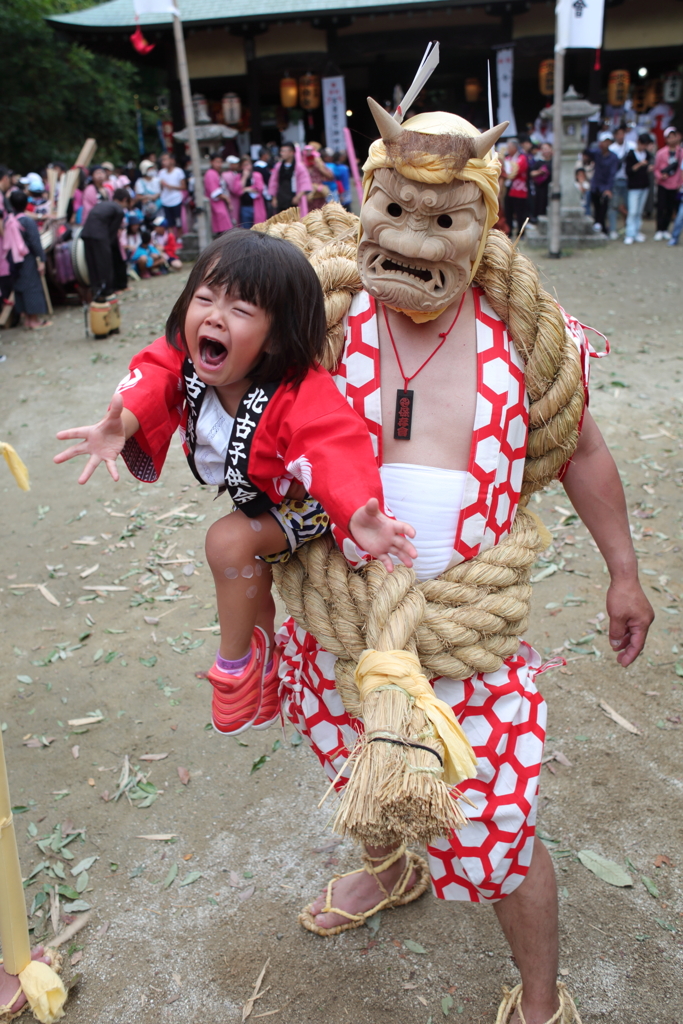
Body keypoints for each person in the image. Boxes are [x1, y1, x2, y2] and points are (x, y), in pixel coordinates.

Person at [271, 97, 653, 1024]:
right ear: (368, 199)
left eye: (441, 219)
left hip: (465, 638)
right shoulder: (322, 317)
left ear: (483, 218)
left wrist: (622, 569)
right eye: (393, 210)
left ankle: (535, 999)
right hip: (343, 625)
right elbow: (210, 381)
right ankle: (391, 864)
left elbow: (581, 449)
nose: (413, 239)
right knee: (356, 764)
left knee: (500, 835)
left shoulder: (521, 331)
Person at [53, 229, 417, 739]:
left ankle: (237, 666)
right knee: (235, 545)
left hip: (307, 500)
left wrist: (357, 511)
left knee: (227, 541)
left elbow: (333, 443)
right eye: (204, 298)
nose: (215, 316)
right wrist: (123, 422)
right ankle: (263, 652)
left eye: (241, 310)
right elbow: (154, 375)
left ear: (276, 335)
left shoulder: (298, 391)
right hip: (257, 492)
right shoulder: (188, 357)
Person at [4, 191, 51, 329]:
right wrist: (42, 259)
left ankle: (26, 320)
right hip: (27, 259)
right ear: (26, 204)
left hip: (13, 260)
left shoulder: (9, 221)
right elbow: (35, 242)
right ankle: (34, 320)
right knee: (32, 288)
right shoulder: (27, 221)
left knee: (20, 288)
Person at [80, 188, 129, 298]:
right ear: (125, 200)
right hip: (100, 235)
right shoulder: (119, 210)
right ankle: (107, 291)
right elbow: (112, 231)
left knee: (92, 263)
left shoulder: (104, 204)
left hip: (86, 233)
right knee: (105, 264)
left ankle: (96, 290)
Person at [653, 125, 683, 240]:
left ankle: (665, 229)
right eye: (669, 137)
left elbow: (681, 169)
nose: (672, 139)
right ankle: (659, 229)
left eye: (673, 136)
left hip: (675, 184)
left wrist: (680, 182)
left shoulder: (680, 152)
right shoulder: (661, 153)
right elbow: (656, 169)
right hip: (663, 184)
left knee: (670, 208)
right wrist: (661, 176)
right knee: (661, 207)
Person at [624, 133, 653, 244]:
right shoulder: (631, 155)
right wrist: (640, 164)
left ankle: (636, 232)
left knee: (639, 211)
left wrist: (648, 168)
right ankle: (630, 233)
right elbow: (628, 171)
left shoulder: (647, 155)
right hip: (633, 187)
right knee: (632, 211)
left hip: (644, 186)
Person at [590, 131, 619, 237]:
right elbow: (587, 152)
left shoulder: (613, 157)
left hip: (606, 185)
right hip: (595, 184)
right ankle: (598, 226)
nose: (606, 144)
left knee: (605, 207)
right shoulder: (597, 153)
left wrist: (608, 188)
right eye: (604, 142)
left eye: (608, 141)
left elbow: (612, 174)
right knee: (596, 206)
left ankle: (603, 228)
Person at [268, 143, 312, 214]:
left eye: (284, 151)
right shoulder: (278, 166)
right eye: (281, 151)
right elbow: (274, 182)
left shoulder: (299, 167)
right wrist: (274, 198)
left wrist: (298, 197)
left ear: (292, 153)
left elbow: (305, 182)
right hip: (281, 198)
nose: (282, 153)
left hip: (294, 199)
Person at [608, 123, 632, 240]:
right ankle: (613, 229)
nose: (621, 136)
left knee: (628, 206)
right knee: (614, 206)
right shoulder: (611, 148)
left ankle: (628, 228)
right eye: (618, 134)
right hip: (615, 180)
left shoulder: (631, 146)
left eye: (622, 134)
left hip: (628, 179)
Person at [229, 156, 266, 228]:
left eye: (248, 164)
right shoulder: (238, 177)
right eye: (245, 165)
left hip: (256, 206)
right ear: (241, 167)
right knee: (246, 229)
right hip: (244, 207)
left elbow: (259, 189)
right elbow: (237, 191)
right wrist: (244, 177)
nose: (247, 167)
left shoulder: (257, 175)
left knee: (258, 229)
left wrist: (245, 189)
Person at [502, 138, 529, 235]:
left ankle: (521, 232)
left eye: (509, 147)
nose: (507, 149)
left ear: (514, 148)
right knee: (508, 211)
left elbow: (518, 169)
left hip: (519, 189)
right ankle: (508, 231)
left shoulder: (522, 158)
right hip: (507, 188)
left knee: (519, 213)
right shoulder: (507, 158)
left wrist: (507, 172)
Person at [157, 153, 186, 237]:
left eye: (165, 159)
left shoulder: (178, 171)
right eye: (162, 160)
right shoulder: (161, 173)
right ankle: (172, 240)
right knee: (169, 223)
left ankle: (179, 238)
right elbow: (160, 188)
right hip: (165, 200)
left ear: (171, 160)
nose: (164, 162)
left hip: (176, 200)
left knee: (178, 221)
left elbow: (184, 186)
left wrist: (171, 186)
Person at [204, 154, 233, 236]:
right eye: (217, 162)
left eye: (220, 162)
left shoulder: (215, 173)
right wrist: (226, 198)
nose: (219, 164)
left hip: (220, 203)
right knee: (223, 231)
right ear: (211, 162)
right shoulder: (210, 173)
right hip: (216, 205)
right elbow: (215, 192)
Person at [528, 141, 552, 221]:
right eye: (543, 149)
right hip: (540, 189)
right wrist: (540, 172)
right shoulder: (538, 162)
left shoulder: (554, 162)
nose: (545, 151)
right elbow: (531, 173)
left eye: (547, 148)